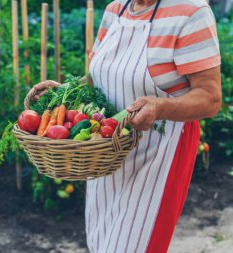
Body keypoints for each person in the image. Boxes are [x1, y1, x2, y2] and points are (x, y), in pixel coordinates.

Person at [33, 0, 222, 252]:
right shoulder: (115, 10)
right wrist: (66, 93)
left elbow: (210, 97)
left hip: (159, 149)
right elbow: (98, 78)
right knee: (103, 243)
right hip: (105, 150)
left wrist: (160, 107)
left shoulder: (190, 12)